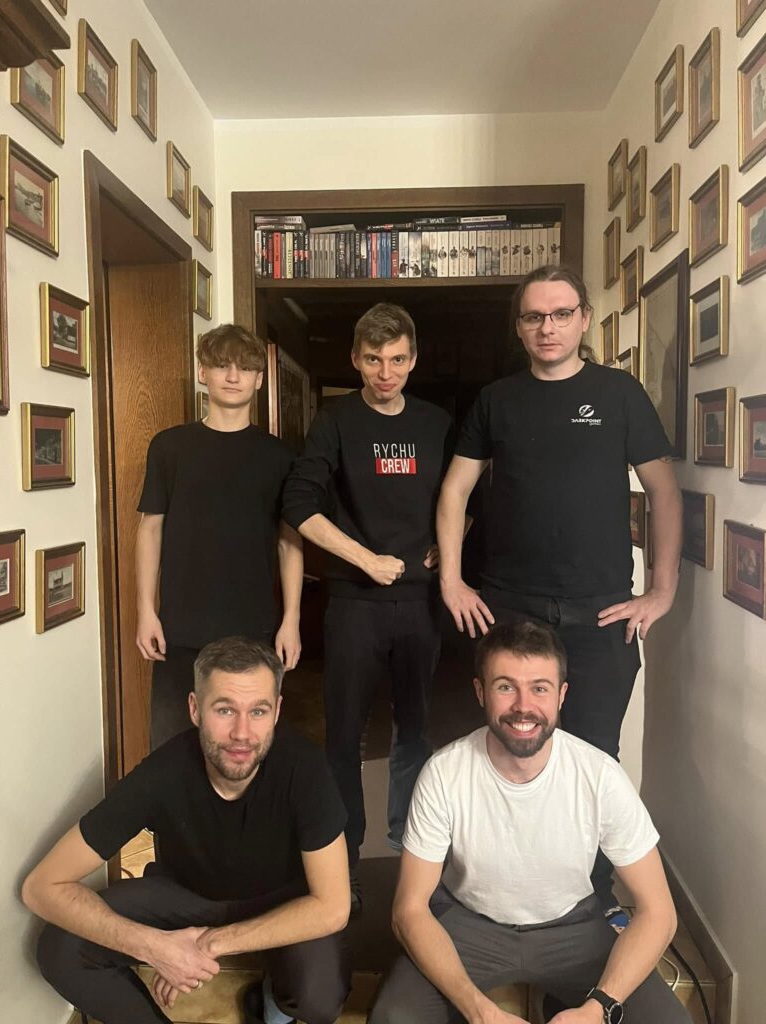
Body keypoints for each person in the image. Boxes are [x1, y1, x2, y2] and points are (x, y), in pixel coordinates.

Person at [436, 264, 682, 909]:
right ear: (519, 327)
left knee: (595, 760)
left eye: (561, 314)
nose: (548, 327)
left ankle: (589, 900)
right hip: (510, 610)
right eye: (534, 316)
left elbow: (663, 491)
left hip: (601, 614)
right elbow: (455, 490)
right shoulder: (496, 400)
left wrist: (662, 591)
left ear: (583, 320)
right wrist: (453, 581)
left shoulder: (619, 394)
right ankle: (496, 893)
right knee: (506, 754)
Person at [369, 621, 691, 1024]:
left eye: (539, 688)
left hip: (572, 927)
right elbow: (409, 910)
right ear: (480, 692)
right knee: (394, 1017)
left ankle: (560, 1002)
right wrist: (478, 1010)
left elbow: (659, 912)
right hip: (469, 923)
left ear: (561, 695)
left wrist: (597, 1009)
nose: (523, 706)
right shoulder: (443, 773)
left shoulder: (599, 776)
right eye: (506, 687)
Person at [23, 637, 351, 1024]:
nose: (242, 732)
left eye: (258, 711)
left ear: (277, 711)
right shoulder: (162, 773)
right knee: (60, 949)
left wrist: (209, 945)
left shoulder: (306, 768)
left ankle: (273, 1002)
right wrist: (155, 947)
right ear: (195, 709)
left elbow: (333, 906)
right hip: (185, 896)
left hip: (281, 900)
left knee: (320, 994)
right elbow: (41, 887)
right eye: (225, 710)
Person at [282, 302, 454, 905]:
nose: (387, 373)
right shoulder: (335, 420)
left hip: (421, 603)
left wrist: (448, 543)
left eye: (398, 360)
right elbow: (298, 505)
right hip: (354, 601)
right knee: (344, 737)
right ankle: (344, 860)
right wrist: (364, 559)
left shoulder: (436, 423)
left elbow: (467, 494)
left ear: (414, 359)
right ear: (356, 359)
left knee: (415, 733)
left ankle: (411, 852)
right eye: (375, 360)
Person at [136, 324, 303, 749]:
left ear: (259, 379)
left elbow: (289, 543)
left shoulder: (280, 456)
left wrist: (292, 620)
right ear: (202, 372)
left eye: (244, 368)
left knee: (244, 747)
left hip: (254, 628)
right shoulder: (169, 447)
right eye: (221, 365)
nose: (232, 376)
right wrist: (145, 610)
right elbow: (150, 529)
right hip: (180, 628)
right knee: (171, 748)